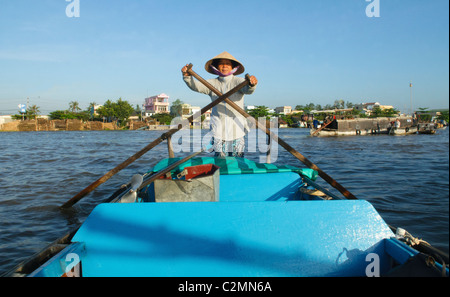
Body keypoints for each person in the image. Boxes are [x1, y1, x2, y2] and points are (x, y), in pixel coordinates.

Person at [181, 51, 258, 157]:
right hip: (218, 129)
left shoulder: (240, 81)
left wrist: (252, 84)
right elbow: (196, 86)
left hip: (237, 129)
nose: (224, 66)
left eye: (228, 64)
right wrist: (187, 77)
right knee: (220, 160)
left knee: (238, 160)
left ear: (233, 67)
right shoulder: (212, 83)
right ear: (216, 67)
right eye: (221, 64)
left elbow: (249, 90)